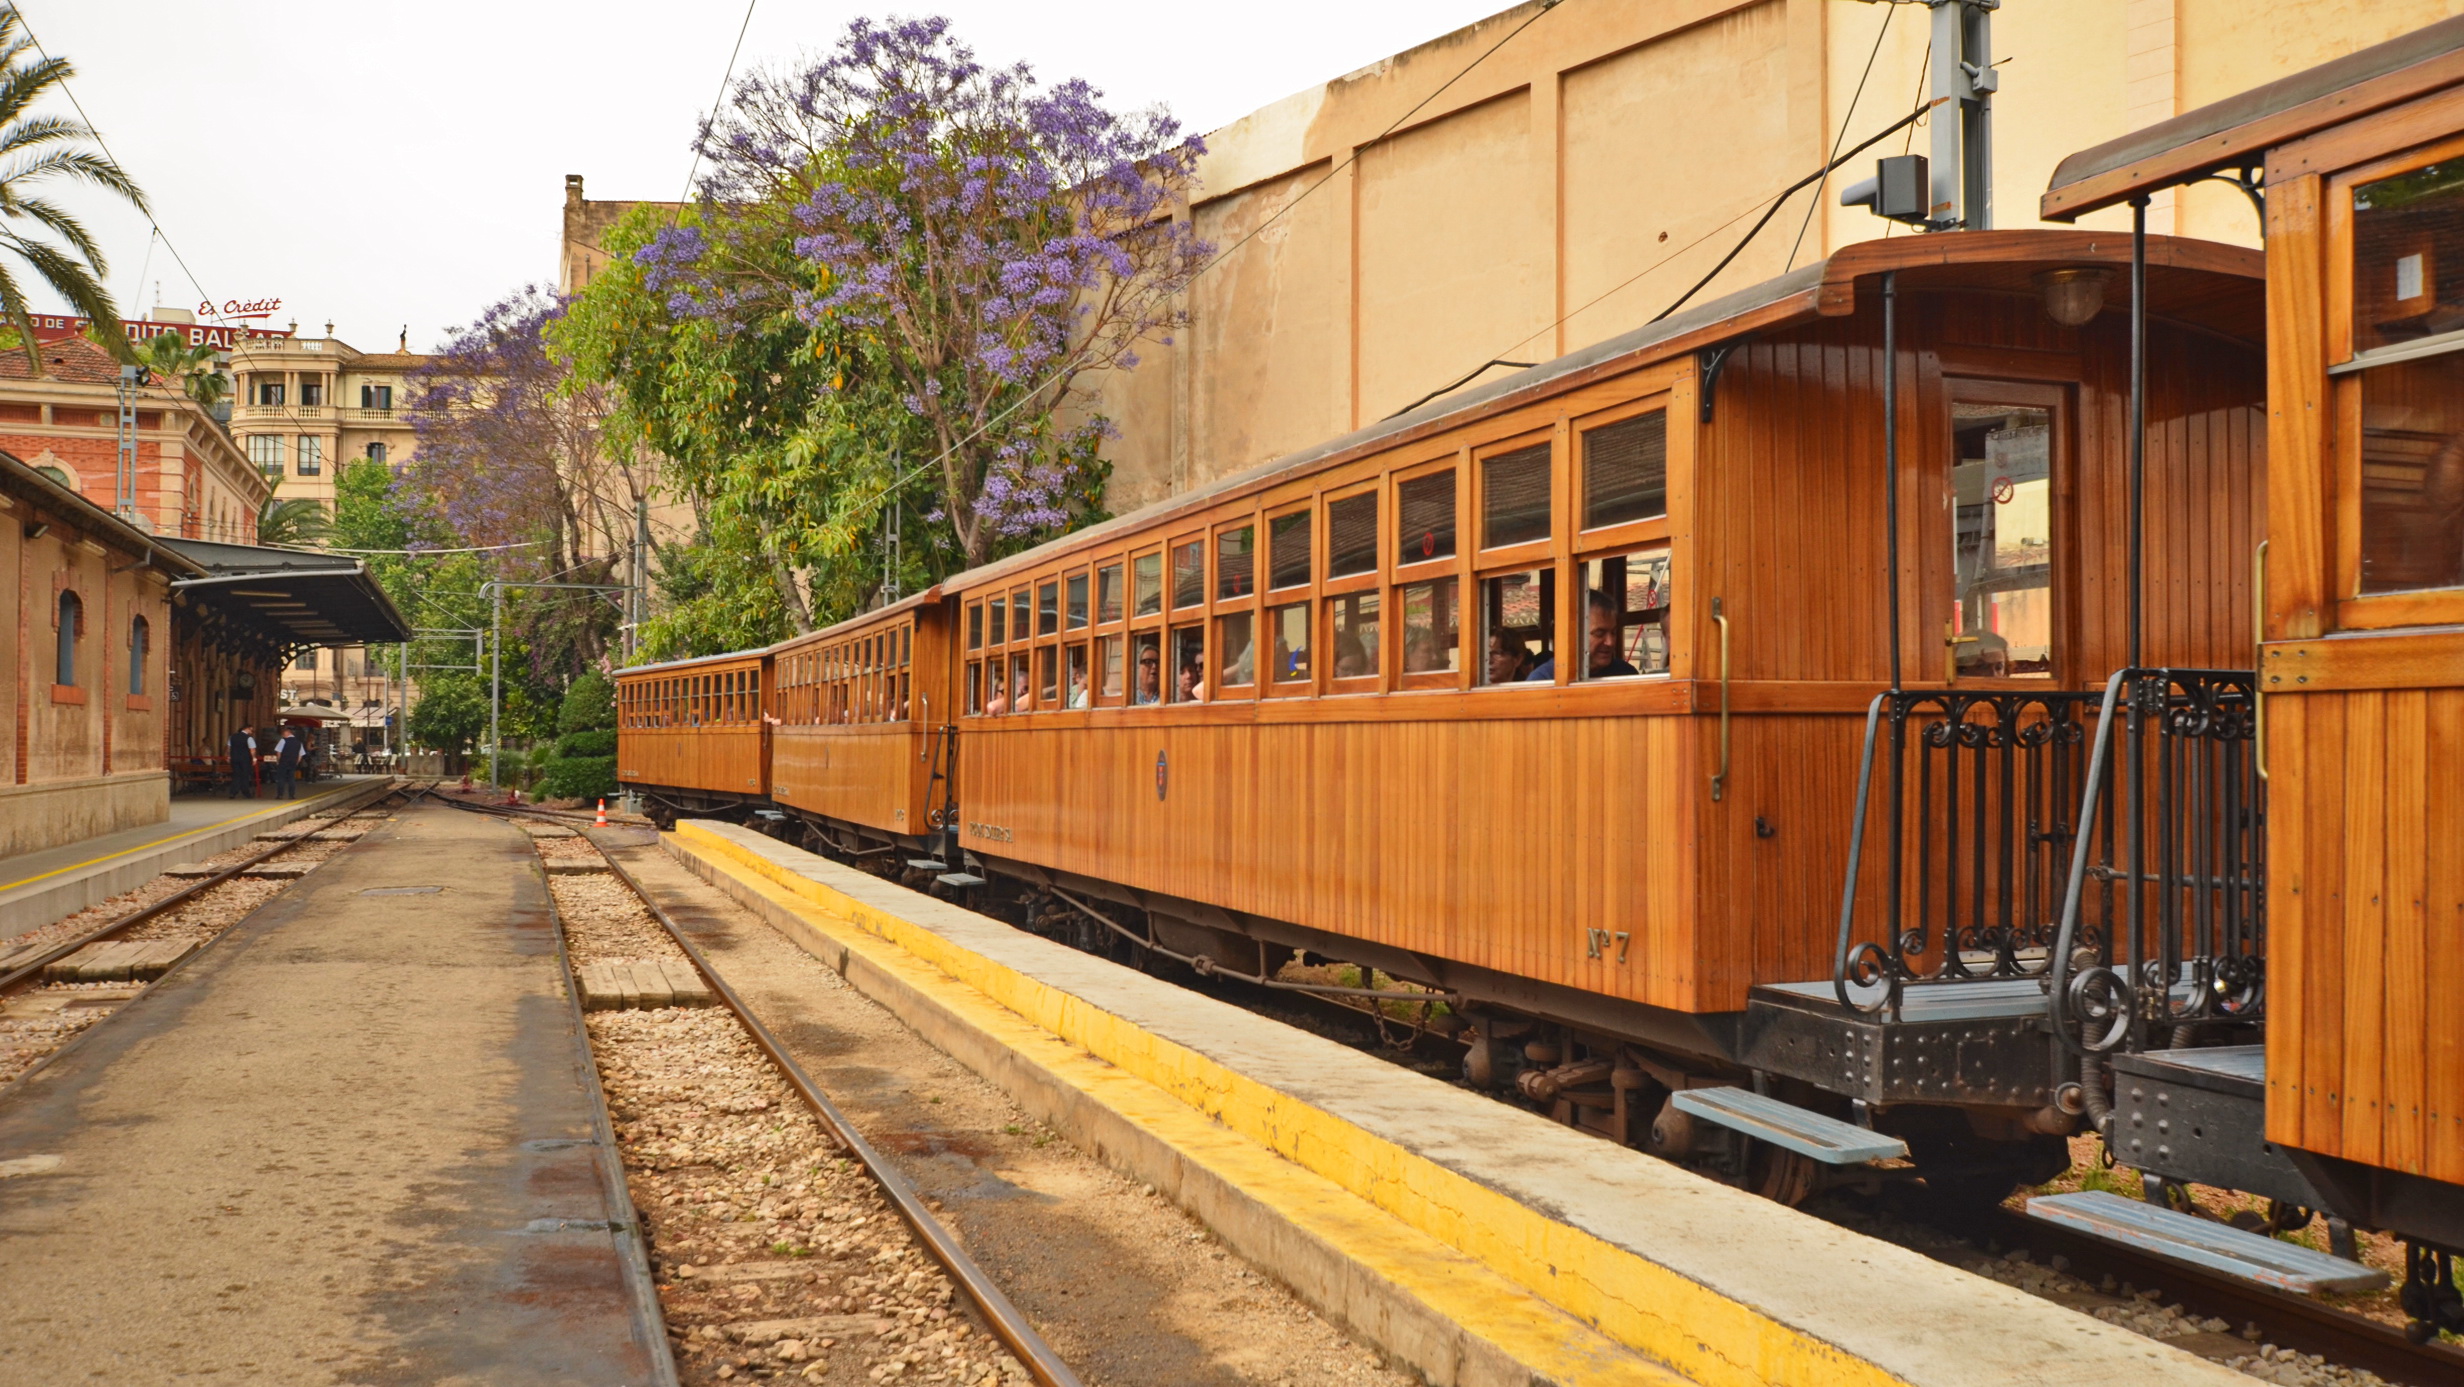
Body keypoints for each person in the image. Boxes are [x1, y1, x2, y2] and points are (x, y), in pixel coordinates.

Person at [1529, 591, 1638, 681]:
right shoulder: (1543, 680)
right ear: (1573, 634)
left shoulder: (1626, 674)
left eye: (1613, 633)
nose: (1610, 642)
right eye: (1599, 633)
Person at [271, 726, 305, 800]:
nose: (282, 735)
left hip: (283, 761)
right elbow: (300, 754)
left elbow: (278, 752)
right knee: (291, 778)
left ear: (287, 733)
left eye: (283, 734)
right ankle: (291, 795)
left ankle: (280, 795)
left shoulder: (283, 741)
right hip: (293, 762)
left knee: (281, 778)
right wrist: (297, 762)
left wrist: (278, 760)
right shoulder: (299, 743)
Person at [226, 724, 258, 799]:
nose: (252, 732)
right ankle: (246, 792)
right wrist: (254, 758)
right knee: (245, 775)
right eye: (251, 730)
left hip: (234, 758)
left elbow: (228, 748)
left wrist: (228, 756)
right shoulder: (249, 738)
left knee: (236, 775)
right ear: (247, 729)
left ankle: (233, 792)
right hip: (245, 759)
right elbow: (252, 750)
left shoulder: (232, 737)